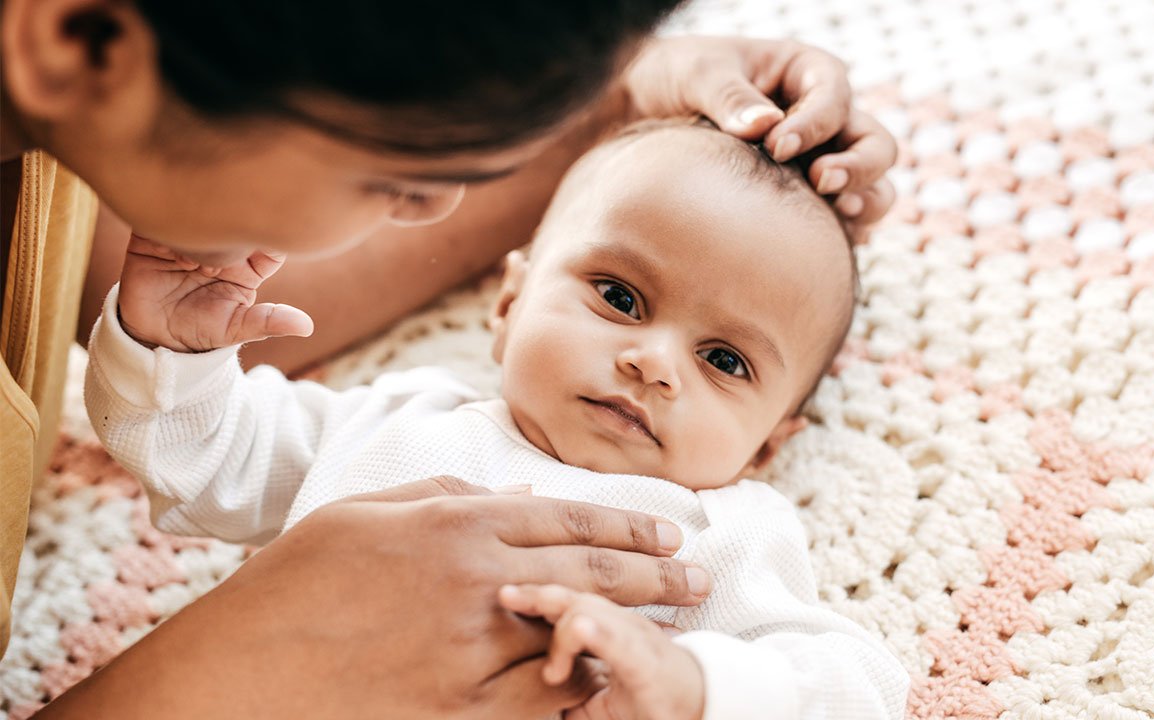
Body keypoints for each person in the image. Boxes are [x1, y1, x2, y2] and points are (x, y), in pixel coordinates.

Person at [0, 0, 897, 715]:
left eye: (725, 362)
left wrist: (694, 686)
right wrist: (171, 358)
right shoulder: (398, 420)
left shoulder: (716, 534)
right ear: (508, 308)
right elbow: (203, 460)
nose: (654, 364)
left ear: (773, 443)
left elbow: (854, 684)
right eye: (618, 299)